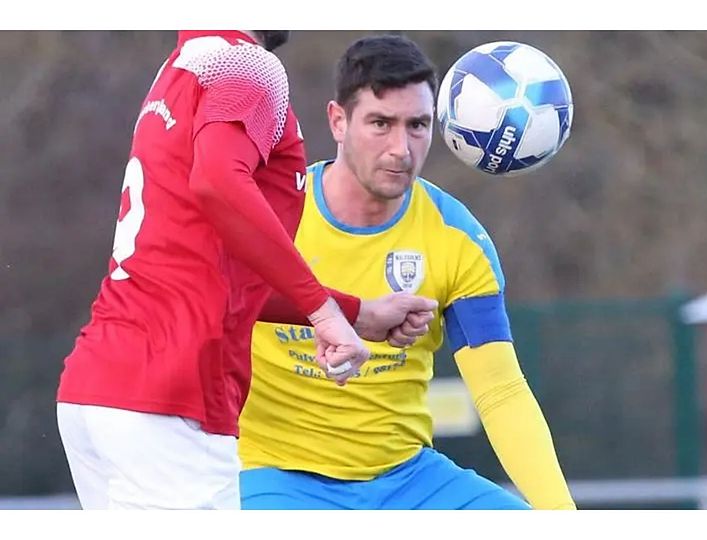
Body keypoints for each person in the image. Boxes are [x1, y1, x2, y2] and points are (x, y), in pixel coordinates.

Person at [56, 30, 436, 510]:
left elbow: (220, 272)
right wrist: (323, 313)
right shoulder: (248, 65)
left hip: (100, 388)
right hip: (171, 395)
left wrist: (354, 313)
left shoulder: (180, 68)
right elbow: (218, 181)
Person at [238, 34, 576, 510]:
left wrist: (562, 515)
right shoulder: (270, 216)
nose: (401, 147)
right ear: (338, 120)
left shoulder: (458, 239)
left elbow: (500, 391)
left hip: (410, 481)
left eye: (417, 125)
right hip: (275, 478)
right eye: (381, 123)